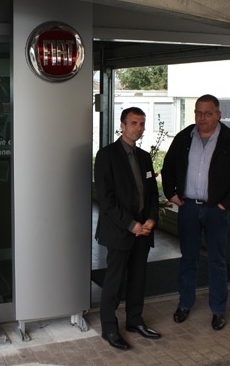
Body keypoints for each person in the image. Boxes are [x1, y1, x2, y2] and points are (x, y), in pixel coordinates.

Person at [160, 94, 230, 331]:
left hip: (216, 210)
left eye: (208, 113)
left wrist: (224, 205)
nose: (202, 118)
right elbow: (168, 167)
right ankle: (184, 304)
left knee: (217, 261)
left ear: (218, 115)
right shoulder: (184, 137)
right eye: (198, 113)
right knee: (188, 258)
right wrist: (171, 193)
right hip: (188, 207)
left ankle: (218, 310)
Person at [94, 107, 162, 351]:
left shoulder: (144, 157)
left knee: (138, 278)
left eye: (142, 123)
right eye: (134, 123)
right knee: (115, 281)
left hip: (143, 230)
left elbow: (152, 193)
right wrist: (131, 224)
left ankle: (135, 321)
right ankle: (109, 328)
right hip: (120, 230)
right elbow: (106, 199)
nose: (138, 128)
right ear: (122, 126)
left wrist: (151, 219)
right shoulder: (107, 155)